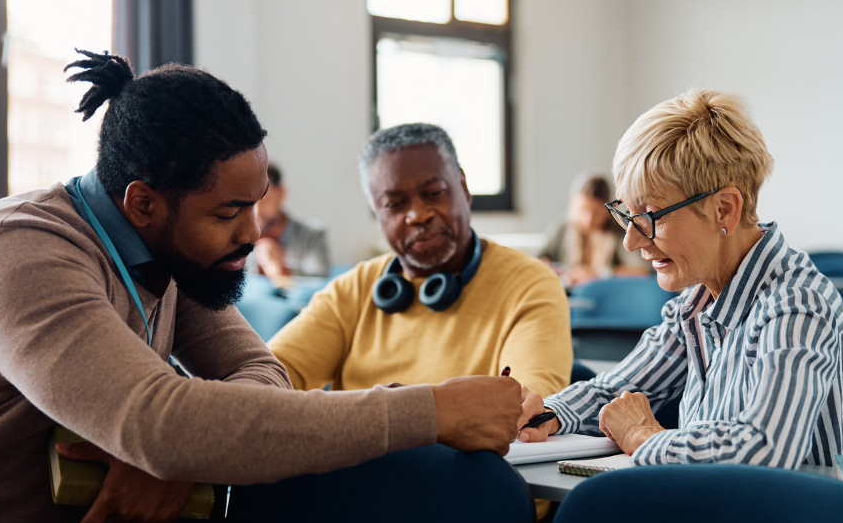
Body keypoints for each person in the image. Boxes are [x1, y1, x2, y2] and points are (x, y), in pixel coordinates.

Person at [0, 51, 522, 523]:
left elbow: (259, 370)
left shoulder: (168, 256)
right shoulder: (26, 253)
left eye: (257, 202)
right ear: (143, 204)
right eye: (228, 211)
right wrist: (432, 411)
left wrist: (183, 453)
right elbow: (163, 424)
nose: (252, 232)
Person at [517, 89, 843, 468]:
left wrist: (644, 437)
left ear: (724, 209)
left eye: (651, 215)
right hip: (717, 512)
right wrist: (546, 413)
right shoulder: (697, 300)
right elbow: (614, 389)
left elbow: (764, 450)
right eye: (628, 215)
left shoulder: (797, 304)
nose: (632, 241)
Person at [268, 123, 572, 399]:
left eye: (434, 193)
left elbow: (524, 404)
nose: (417, 215)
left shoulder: (531, 284)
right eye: (395, 204)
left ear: (464, 188)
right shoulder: (353, 291)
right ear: (377, 213)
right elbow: (266, 378)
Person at [538, 173, 650, 286]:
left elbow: (642, 270)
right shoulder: (563, 227)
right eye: (582, 211)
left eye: (596, 213)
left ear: (608, 210)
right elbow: (538, 260)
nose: (589, 220)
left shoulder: (620, 231)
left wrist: (599, 273)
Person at [252, 163, 331, 284]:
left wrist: (281, 272)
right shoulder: (237, 236)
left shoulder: (313, 234)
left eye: (264, 201)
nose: (256, 212)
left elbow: (320, 287)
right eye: (250, 204)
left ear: (282, 193)